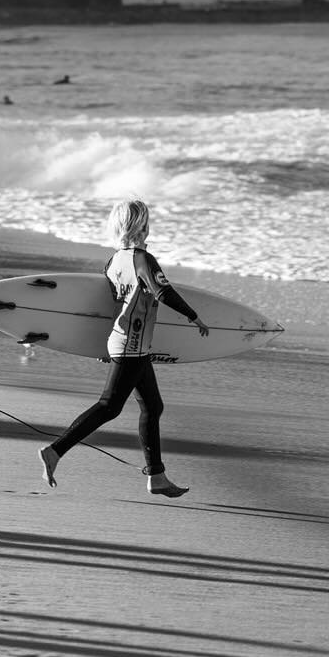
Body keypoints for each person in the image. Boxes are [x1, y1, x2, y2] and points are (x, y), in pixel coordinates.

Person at [38, 199, 210, 498]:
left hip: (128, 343)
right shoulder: (143, 259)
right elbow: (163, 292)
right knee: (109, 406)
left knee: (152, 406)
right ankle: (55, 450)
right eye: (146, 221)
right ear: (141, 225)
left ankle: (156, 477)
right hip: (131, 344)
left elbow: (110, 304)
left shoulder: (114, 260)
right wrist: (194, 316)